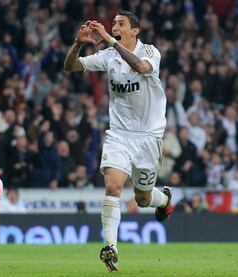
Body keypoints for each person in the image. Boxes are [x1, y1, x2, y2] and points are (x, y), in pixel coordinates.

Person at [64, 11, 173, 272]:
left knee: (143, 199)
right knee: (113, 187)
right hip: (119, 135)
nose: (114, 27)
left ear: (135, 30)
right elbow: (71, 66)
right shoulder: (108, 56)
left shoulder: (150, 51)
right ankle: (111, 247)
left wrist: (108, 40)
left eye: (121, 24)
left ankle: (164, 199)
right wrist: (77, 43)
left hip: (149, 137)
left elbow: (142, 68)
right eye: (113, 24)